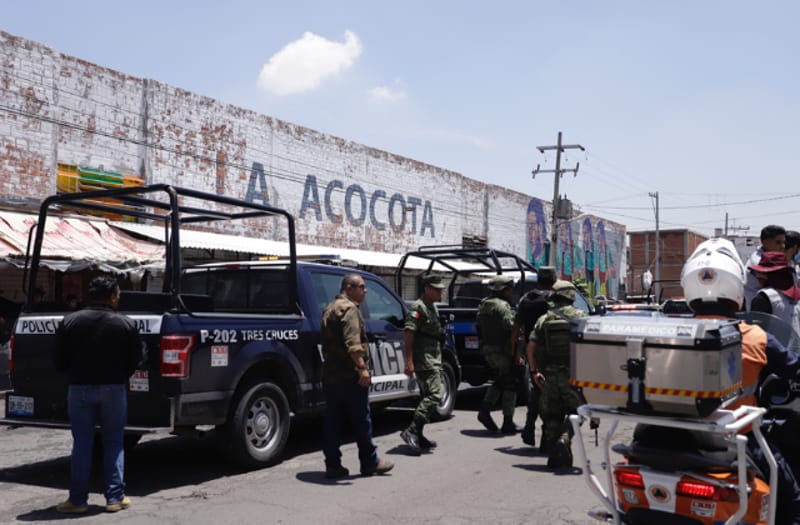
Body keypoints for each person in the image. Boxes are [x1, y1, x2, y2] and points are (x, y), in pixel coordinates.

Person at [681, 238, 800, 524]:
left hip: (672, 437)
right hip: (738, 440)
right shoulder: (757, 336)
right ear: (737, 288)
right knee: (792, 500)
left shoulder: (669, 333)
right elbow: (794, 368)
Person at [53, 276, 142, 514]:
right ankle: (115, 498)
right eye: (119, 293)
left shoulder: (70, 322)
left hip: (79, 389)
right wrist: (121, 374)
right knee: (114, 442)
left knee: (82, 443)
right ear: (112, 296)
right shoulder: (126, 324)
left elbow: (59, 359)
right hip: (114, 389)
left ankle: (77, 500)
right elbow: (136, 359)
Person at [320, 273, 394, 479]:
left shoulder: (330, 307)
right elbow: (353, 345)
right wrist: (362, 368)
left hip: (331, 375)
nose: (366, 290)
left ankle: (332, 465)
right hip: (349, 375)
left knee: (332, 421)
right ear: (349, 288)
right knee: (362, 419)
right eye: (362, 286)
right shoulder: (349, 309)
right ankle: (370, 462)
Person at [528, 280, 588, 468]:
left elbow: (531, 348)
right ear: (571, 297)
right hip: (574, 375)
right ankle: (565, 438)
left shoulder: (544, 318)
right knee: (579, 412)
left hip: (550, 375)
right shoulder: (582, 317)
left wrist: (534, 371)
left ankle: (555, 456)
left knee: (551, 417)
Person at [510, 266, 557, 448]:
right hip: (552, 350)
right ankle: (546, 434)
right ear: (553, 280)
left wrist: (515, 350)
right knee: (551, 393)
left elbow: (516, 327)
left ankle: (529, 427)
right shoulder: (555, 298)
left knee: (537, 388)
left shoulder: (526, 299)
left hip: (532, 349)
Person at [400, 273, 446, 455]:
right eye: (436, 289)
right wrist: (409, 361)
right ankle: (411, 430)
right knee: (435, 395)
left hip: (433, 356)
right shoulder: (418, 308)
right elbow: (409, 335)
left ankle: (418, 433)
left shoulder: (432, 307)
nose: (439, 292)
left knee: (427, 396)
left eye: (440, 289)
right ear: (426, 289)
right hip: (424, 359)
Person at [476, 275, 519, 434]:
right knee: (509, 382)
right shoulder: (502, 306)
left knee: (501, 381)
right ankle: (502, 419)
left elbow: (479, 326)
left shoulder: (483, 305)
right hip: (502, 350)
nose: (510, 292)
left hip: (488, 349)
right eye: (509, 289)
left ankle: (492, 414)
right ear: (502, 290)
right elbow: (510, 326)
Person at [749, 251, 800, 336]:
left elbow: (757, 335)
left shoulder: (764, 298)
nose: (757, 276)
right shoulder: (798, 296)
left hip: (776, 348)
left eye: (761, 273)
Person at [744, 225, 787, 309]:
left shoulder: (770, 258)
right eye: (778, 242)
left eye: (783, 242)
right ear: (765, 242)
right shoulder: (759, 261)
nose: (783, 246)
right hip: (759, 309)